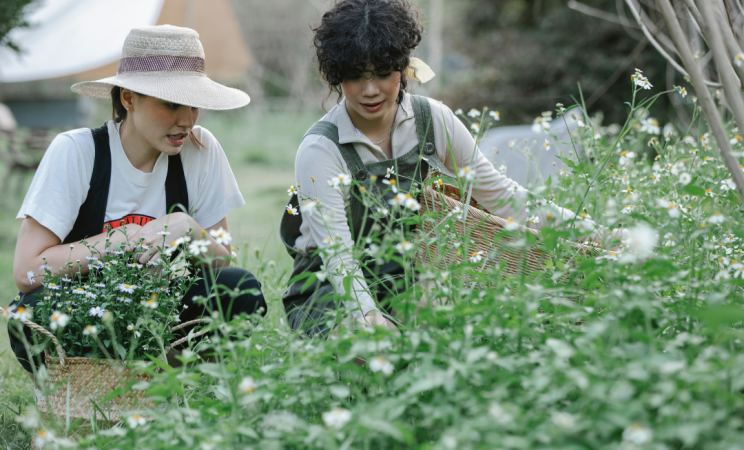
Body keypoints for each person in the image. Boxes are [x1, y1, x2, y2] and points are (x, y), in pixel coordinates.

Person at [280, 0, 619, 338]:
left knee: (465, 328)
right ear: (337, 75)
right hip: (328, 285)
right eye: (356, 77)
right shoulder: (320, 149)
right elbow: (339, 259)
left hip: (406, 269)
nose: (371, 90)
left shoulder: (432, 119)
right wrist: (370, 318)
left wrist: (596, 234)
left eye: (383, 74)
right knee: (368, 346)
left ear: (402, 68)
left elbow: (503, 196)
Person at [9, 25, 266, 372]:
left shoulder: (200, 151)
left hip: (160, 308)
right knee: (32, 311)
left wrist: (187, 228)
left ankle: (168, 381)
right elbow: (27, 272)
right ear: (128, 98)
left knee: (240, 289)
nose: (187, 120)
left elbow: (222, 262)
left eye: (194, 106)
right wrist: (127, 236)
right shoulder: (78, 151)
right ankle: (88, 385)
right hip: (86, 310)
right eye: (172, 104)